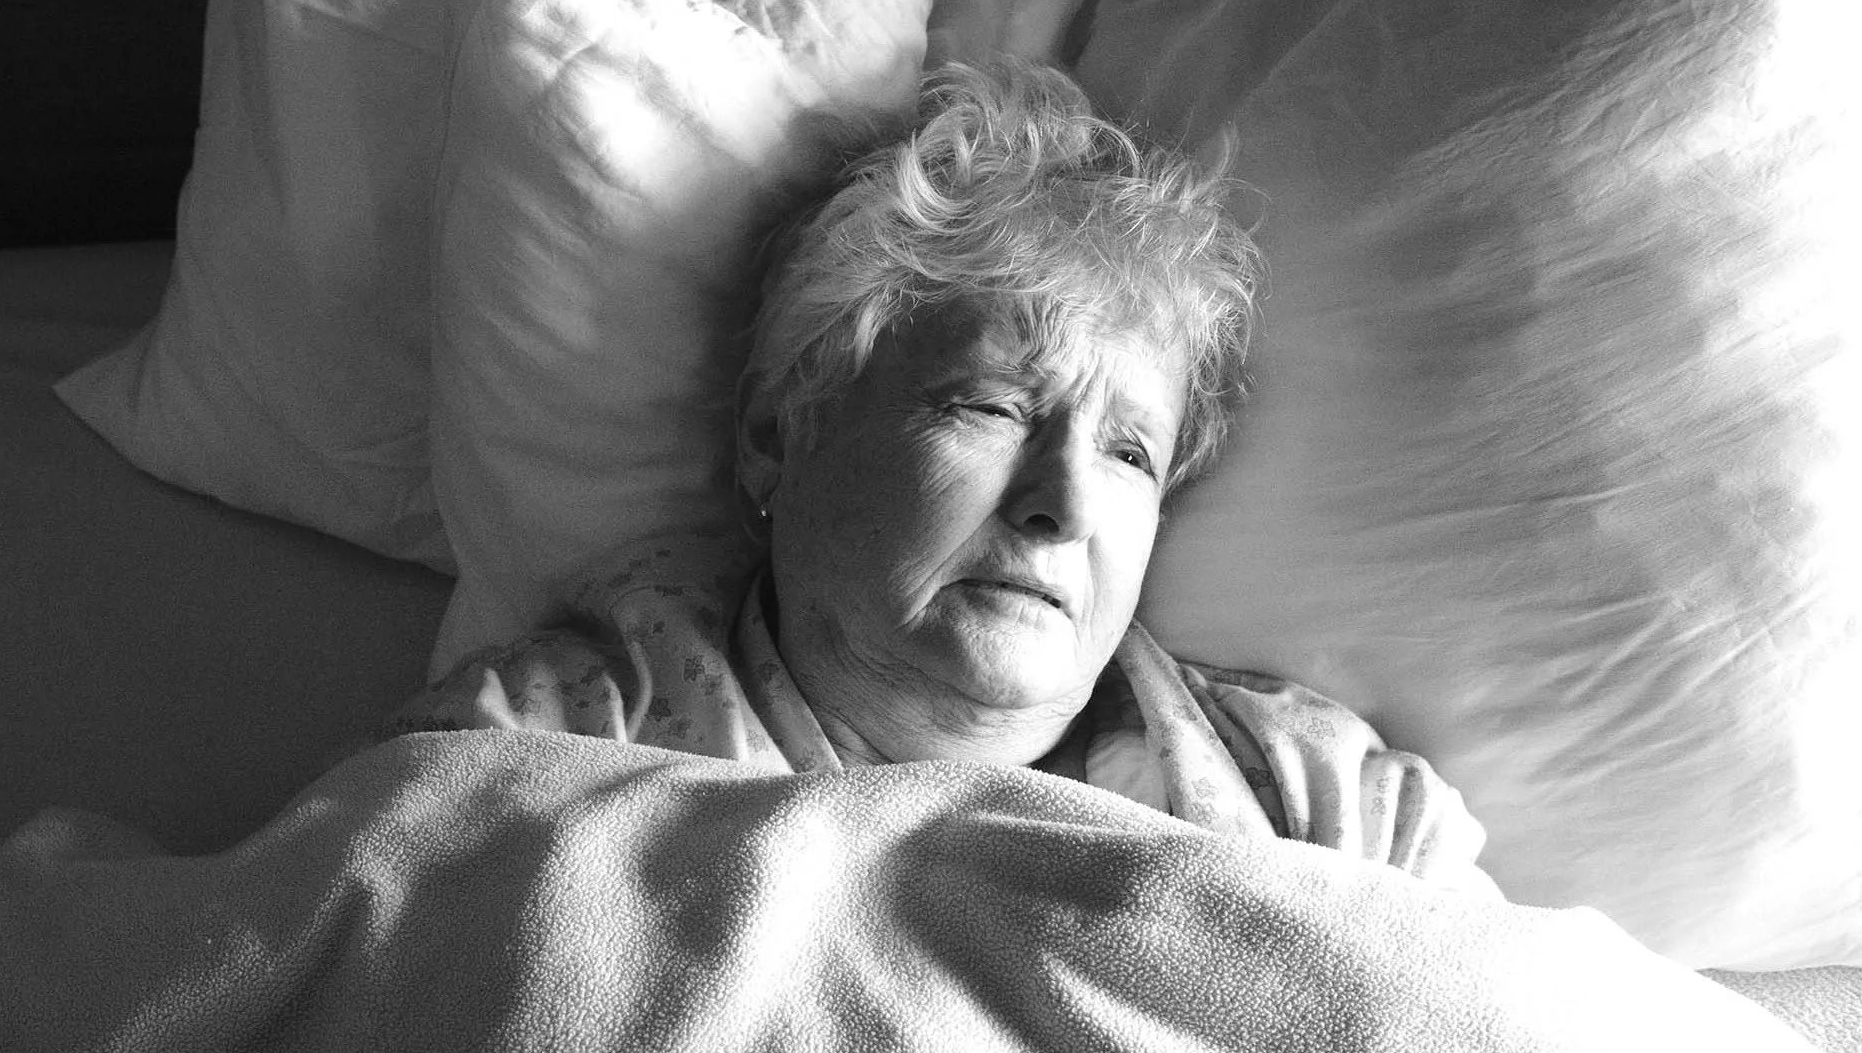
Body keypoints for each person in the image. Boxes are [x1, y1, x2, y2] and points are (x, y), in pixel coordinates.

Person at [390, 56, 1491, 888]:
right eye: (990, 405)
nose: (1061, 507)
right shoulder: (530, 759)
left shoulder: (1335, 817)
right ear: (780, 432)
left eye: (1129, 452)